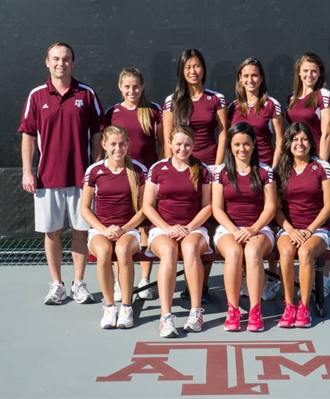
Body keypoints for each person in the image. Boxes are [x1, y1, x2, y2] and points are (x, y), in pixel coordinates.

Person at [19, 42, 105, 305]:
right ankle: (56, 284)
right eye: (55, 59)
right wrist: (27, 172)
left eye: (66, 59)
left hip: (82, 179)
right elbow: (28, 136)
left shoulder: (87, 94)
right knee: (52, 232)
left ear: (73, 63)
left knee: (81, 231)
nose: (61, 63)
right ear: (47, 62)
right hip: (47, 178)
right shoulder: (36, 95)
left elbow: (99, 134)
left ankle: (78, 283)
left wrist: (96, 171)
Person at [162, 48, 228, 302]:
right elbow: (168, 139)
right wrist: (177, 168)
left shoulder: (216, 99)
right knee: (186, 222)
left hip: (210, 168)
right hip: (182, 169)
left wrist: (217, 167)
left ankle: (198, 286)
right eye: (188, 67)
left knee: (208, 224)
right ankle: (189, 279)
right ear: (181, 70)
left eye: (197, 66)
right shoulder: (172, 101)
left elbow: (223, 133)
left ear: (203, 69)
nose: (193, 71)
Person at [143, 125, 213, 338]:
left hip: (194, 228)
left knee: (190, 248)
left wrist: (188, 228)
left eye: (188, 144)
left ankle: (195, 312)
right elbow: (147, 206)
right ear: (170, 145)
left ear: (194, 145)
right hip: (163, 229)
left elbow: (207, 206)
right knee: (169, 251)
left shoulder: (202, 170)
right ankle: (166, 318)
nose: (183, 149)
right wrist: (167, 228)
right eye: (179, 144)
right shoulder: (157, 169)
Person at [228, 57, 285, 302]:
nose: (250, 80)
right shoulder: (232, 107)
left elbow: (281, 141)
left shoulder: (272, 104)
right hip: (239, 174)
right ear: (240, 79)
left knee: (268, 223)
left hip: (265, 174)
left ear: (261, 78)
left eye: (255, 75)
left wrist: (270, 171)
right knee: (243, 222)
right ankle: (244, 277)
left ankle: (271, 279)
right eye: (246, 76)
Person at [106, 67, 163, 302]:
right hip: (122, 177)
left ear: (143, 87)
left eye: (136, 86)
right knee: (124, 227)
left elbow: (162, 144)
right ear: (120, 87)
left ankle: (145, 279)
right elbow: (105, 147)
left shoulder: (153, 110)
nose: (132, 91)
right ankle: (121, 282)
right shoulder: (112, 112)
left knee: (145, 226)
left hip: (147, 178)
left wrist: (159, 174)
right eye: (127, 87)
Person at [212, 122, 277, 332]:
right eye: (237, 144)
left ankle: (255, 310)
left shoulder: (265, 170)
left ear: (254, 144)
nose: (242, 149)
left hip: (260, 228)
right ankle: (233, 310)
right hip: (229, 229)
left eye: (247, 144)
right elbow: (217, 208)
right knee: (233, 253)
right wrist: (235, 230)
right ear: (230, 145)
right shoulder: (220, 171)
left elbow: (270, 207)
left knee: (252, 251)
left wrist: (253, 229)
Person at [80, 126, 146, 329]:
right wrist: (103, 229)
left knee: (123, 249)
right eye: (114, 144)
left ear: (128, 144)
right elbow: (84, 208)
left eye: (122, 143)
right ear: (104, 145)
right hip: (100, 230)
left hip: (129, 230)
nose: (118, 148)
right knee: (104, 250)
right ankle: (110, 307)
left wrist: (124, 229)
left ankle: (126, 306)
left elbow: (144, 209)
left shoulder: (138, 170)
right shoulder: (94, 171)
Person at [275, 122, 330, 328]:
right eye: (294, 139)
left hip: (317, 230)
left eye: (304, 139)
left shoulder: (322, 167)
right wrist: (291, 230)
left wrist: (309, 230)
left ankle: (304, 307)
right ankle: (289, 306)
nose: (299, 143)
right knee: (285, 253)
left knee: (305, 253)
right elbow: (275, 208)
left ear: (311, 143)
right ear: (288, 143)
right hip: (289, 229)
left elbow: (328, 206)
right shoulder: (279, 169)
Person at [286, 51, 330, 296]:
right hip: (296, 164)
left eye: (314, 71)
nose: (309, 75)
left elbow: (326, 133)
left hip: (315, 164)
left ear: (320, 74)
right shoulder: (292, 98)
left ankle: (324, 277)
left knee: (319, 213)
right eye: (305, 71)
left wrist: (321, 165)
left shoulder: (323, 95)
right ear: (299, 73)